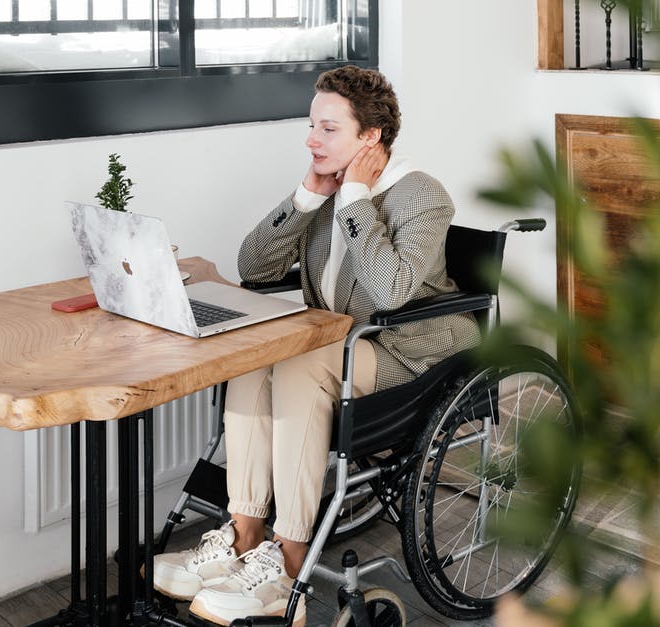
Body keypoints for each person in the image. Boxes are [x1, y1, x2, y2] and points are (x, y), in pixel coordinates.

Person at [151, 65, 480, 626]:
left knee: (298, 360)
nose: (311, 139)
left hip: (410, 352)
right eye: (312, 126)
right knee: (256, 353)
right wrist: (307, 198)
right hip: (340, 345)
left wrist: (354, 199)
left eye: (327, 129)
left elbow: (390, 292)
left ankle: (289, 559)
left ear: (369, 137)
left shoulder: (423, 195)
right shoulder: (326, 189)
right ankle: (246, 533)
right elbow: (252, 266)